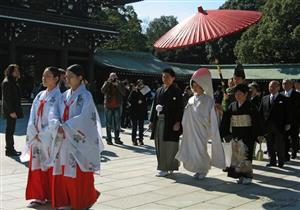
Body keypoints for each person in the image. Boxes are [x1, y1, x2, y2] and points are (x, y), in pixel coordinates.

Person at [49, 64, 104, 210]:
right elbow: (53, 112)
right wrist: (56, 124)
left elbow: (85, 118)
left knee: (78, 173)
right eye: (66, 76)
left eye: (70, 76)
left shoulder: (86, 96)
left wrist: (65, 127)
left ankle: (80, 201)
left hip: (77, 140)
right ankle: (65, 200)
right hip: (63, 139)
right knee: (63, 171)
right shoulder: (63, 96)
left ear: (80, 78)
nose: (67, 79)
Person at [175, 68, 225, 180]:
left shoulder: (209, 100)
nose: (195, 87)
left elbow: (211, 117)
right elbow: (186, 115)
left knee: (200, 149)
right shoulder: (191, 99)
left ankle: (203, 169)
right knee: (192, 149)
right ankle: (197, 168)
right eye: (193, 85)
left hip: (202, 129)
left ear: (203, 85)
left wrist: (210, 128)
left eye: (197, 85)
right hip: (191, 130)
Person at [22, 67, 61, 208]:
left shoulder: (59, 97)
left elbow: (57, 119)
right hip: (37, 137)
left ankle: (51, 195)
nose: (44, 78)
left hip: (49, 138)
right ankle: (38, 196)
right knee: (37, 167)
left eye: (48, 76)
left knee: (50, 167)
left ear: (56, 78)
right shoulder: (39, 96)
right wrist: (34, 132)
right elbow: (32, 115)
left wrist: (43, 133)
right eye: (43, 76)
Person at [220, 84, 264, 184]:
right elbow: (226, 119)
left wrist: (258, 134)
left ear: (245, 94)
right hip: (236, 133)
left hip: (248, 133)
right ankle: (239, 175)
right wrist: (225, 133)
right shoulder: (232, 105)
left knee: (246, 155)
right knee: (236, 156)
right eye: (236, 94)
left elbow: (257, 121)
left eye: (240, 94)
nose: (238, 96)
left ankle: (247, 176)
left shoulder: (251, 106)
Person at [149, 68, 183, 177]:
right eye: (163, 76)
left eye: (167, 76)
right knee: (160, 144)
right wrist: (151, 121)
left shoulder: (177, 92)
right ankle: (163, 167)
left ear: (173, 78)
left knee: (171, 145)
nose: (165, 78)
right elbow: (154, 106)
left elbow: (180, 108)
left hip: (171, 122)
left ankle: (171, 166)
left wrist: (178, 122)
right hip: (160, 121)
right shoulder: (159, 90)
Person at [259, 81, 290, 168]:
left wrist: (287, 123)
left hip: (279, 126)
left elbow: (287, 112)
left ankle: (281, 161)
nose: (271, 88)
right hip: (267, 126)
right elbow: (261, 112)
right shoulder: (264, 98)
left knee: (279, 144)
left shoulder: (283, 98)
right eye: (270, 87)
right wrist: (261, 125)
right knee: (270, 144)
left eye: (273, 87)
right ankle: (272, 161)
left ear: (278, 88)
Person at [1, 64, 23, 156]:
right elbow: (7, 99)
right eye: (16, 71)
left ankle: (10, 149)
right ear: (11, 72)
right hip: (11, 111)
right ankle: (9, 150)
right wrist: (11, 112)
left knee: (11, 129)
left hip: (12, 110)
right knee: (10, 130)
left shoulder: (12, 81)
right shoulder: (7, 82)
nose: (18, 72)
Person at [101, 72, 126, 145]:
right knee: (108, 124)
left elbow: (124, 93)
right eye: (112, 77)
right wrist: (108, 83)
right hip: (108, 106)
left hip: (117, 106)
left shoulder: (119, 83)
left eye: (114, 77)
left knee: (117, 124)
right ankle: (109, 139)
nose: (113, 78)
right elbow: (102, 91)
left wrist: (118, 85)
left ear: (117, 77)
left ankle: (117, 138)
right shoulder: (107, 82)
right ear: (109, 77)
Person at [281, 79, 300, 160]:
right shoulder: (280, 94)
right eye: (283, 84)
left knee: (294, 138)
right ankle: (286, 154)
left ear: (291, 85)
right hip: (283, 121)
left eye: (286, 84)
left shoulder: (298, 95)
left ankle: (294, 152)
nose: (285, 85)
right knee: (284, 138)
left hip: (295, 121)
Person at [128, 80, 148, 146]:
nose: (140, 85)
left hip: (142, 111)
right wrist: (137, 101)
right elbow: (129, 99)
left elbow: (150, 97)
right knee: (134, 126)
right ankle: (134, 140)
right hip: (134, 110)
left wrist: (146, 88)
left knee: (141, 127)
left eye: (142, 84)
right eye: (139, 84)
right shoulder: (134, 91)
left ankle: (141, 139)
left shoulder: (145, 91)